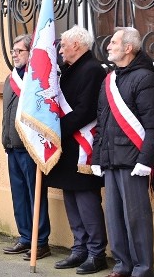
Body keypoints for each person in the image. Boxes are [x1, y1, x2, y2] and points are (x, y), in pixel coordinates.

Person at [93, 27, 154, 277]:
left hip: (134, 162)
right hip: (111, 160)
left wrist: (145, 162)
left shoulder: (145, 78)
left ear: (128, 48)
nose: (108, 46)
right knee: (114, 219)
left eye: (113, 42)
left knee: (137, 221)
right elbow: (101, 123)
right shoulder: (109, 80)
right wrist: (97, 158)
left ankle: (142, 270)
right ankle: (122, 265)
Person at [44, 26, 108, 274]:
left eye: (64, 45)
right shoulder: (70, 70)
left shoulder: (92, 70)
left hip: (83, 146)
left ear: (78, 46)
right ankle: (79, 249)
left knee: (86, 199)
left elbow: (87, 110)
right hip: (69, 145)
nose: (60, 49)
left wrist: (57, 129)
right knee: (71, 197)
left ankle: (96, 253)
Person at [1, 34, 51, 260]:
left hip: (30, 147)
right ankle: (25, 237)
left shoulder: (37, 79)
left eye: (19, 51)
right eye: (13, 51)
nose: (14, 54)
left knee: (36, 195)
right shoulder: (9, 79)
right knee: (19, 195)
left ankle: (40, 241)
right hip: (12, 146)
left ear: (31, 53)